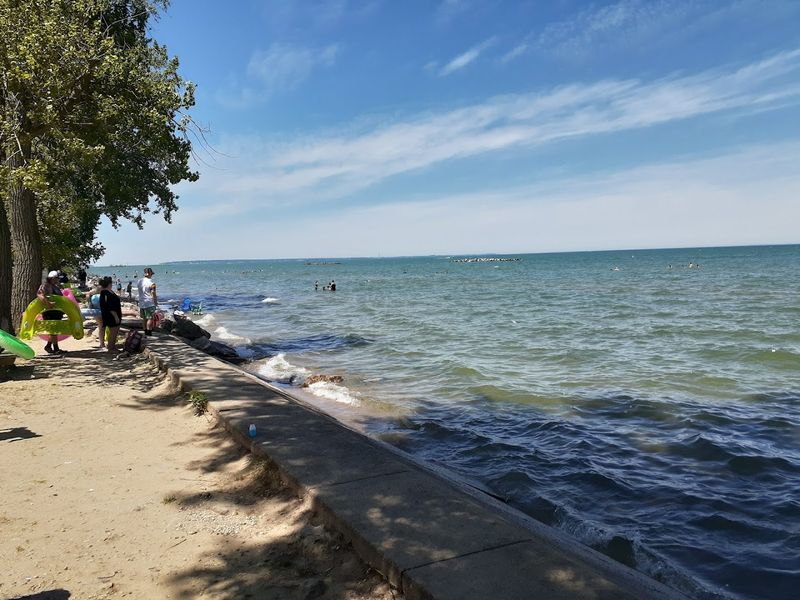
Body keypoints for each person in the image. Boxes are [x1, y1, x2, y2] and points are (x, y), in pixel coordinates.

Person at [37, 270, 65, 355]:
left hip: (56, 312)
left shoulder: (55, 286)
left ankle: (48, 346)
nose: (58, 280)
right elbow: (40, 295)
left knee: (54, 330)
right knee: (53, 330)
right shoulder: (45, 286)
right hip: (49, 312)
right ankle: (56, 349)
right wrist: (48, 303)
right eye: (57, 278)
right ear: (52, 278)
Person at [98, 276, 122, 351]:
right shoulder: (105, 293)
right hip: (111, 315)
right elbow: (109, 306)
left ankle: (112, 346)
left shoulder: (109, 291)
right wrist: (115, 316)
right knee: (113, 331)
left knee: (115, 331)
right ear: (109, 283)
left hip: (115, 313)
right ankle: (111, 347)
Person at [137, 267, 158, 336]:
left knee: (144, 318)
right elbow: (153, 293)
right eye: (151, 274)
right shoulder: (151, 283)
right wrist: (155, 302)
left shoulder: (139, 281)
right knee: (150, 318)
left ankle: (145, 332)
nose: (152, 275)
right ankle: (149, 332)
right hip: (149, 302)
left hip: (141, 302)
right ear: (150, 274)